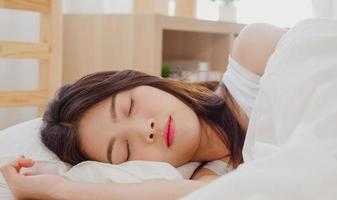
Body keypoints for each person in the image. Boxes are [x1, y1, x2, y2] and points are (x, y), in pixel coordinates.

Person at [0, 23, 287, 200]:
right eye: (124, 150)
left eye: (129, 107)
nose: (145, 130)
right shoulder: (208, 182)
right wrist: (60, 190)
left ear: (142, 81)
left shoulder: (252, 54)